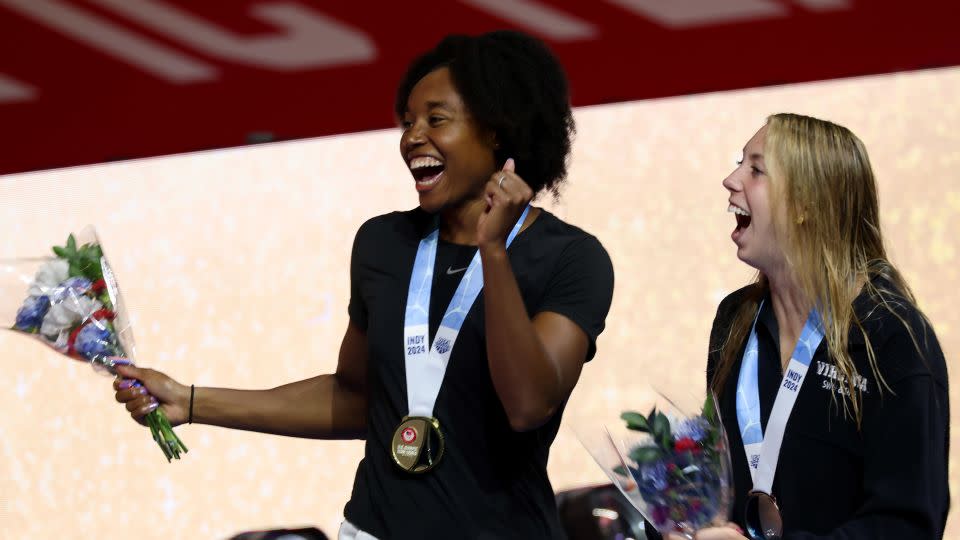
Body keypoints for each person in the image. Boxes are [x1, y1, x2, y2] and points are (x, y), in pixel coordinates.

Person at [113, 31, 614, 540]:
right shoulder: (384, 243)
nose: (412, 137)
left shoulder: (572, 258)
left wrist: (494, 252)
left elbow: (528, 404)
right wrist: (192, 401)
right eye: (408, 122)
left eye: (436, 120)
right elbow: (355, 396)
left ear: (498, 133)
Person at [657, 113, 949, 539]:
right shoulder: (735, 321)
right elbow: (727, 485)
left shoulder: (892, 338)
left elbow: (908, 526)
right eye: (740, 163)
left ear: (807, 204)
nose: (730, 179)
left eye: (755, 169)